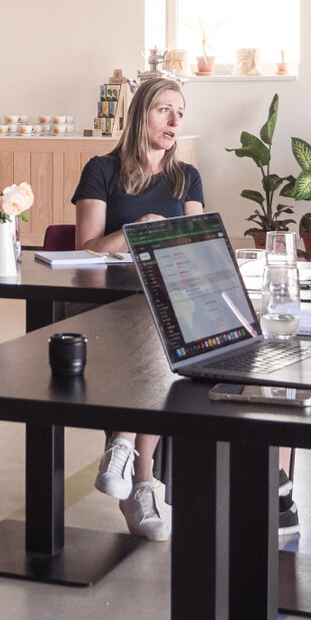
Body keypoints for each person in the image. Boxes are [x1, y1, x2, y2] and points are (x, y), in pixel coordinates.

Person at [75, 77, 206, 540]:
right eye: (164, 109)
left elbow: (197, 249)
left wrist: (170, 238)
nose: (174, 120)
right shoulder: (101, 170)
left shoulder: (187, 177)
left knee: (161, 327)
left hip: (165, 299)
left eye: (180, 113)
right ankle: (142, 479)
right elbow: (85, 247)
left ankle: (124, 449)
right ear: (140, 114)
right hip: (108, 299)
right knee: (158, 331)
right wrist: (135, 232)